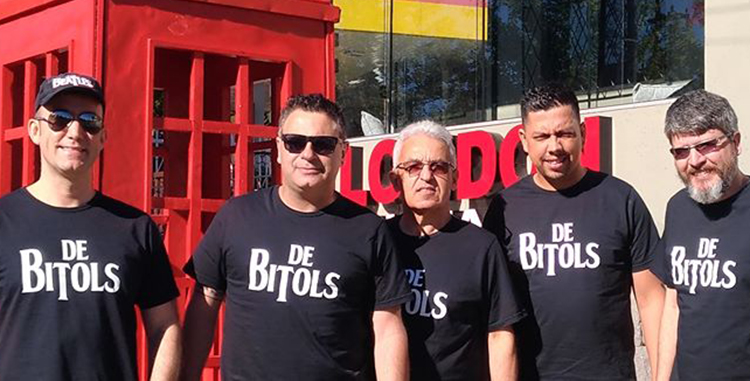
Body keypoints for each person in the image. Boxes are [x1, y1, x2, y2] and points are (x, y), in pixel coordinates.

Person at [181, 93, 410, 381]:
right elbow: (204, 303)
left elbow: (387, 326)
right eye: (295, 142)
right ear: (279, 148)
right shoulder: (236, 216)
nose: (308, 154)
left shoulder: (369, 230)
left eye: (323, 145)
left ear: (343, 152)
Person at [0, 72, 181, 380]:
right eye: (59, 119)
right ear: (34, 130)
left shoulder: (135, 227)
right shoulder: (4, 221)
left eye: (89, 121)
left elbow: (164, 325)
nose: (75, 132)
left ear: (102, 137)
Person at [483, 84, 664, 380]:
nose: (554, 146)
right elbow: (495, 317)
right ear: (524, 140)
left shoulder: (621, 199)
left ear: (583, 133)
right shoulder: (503, 209)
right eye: (541, 136)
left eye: (565, 133)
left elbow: (652, 299)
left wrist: (661, 376)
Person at [388, 120, 524, 381]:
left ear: (454, 179)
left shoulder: (481, 247)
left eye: (438, 167)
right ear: (396, 179)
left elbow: (500, 336)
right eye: (413, 167)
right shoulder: (378, 241)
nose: (426, 176)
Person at [653, 90, 750, 380]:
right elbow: (673, 303)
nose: (694, 161)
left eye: (706, 145)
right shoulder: (678, 208)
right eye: (681, 151)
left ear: (735, 143)